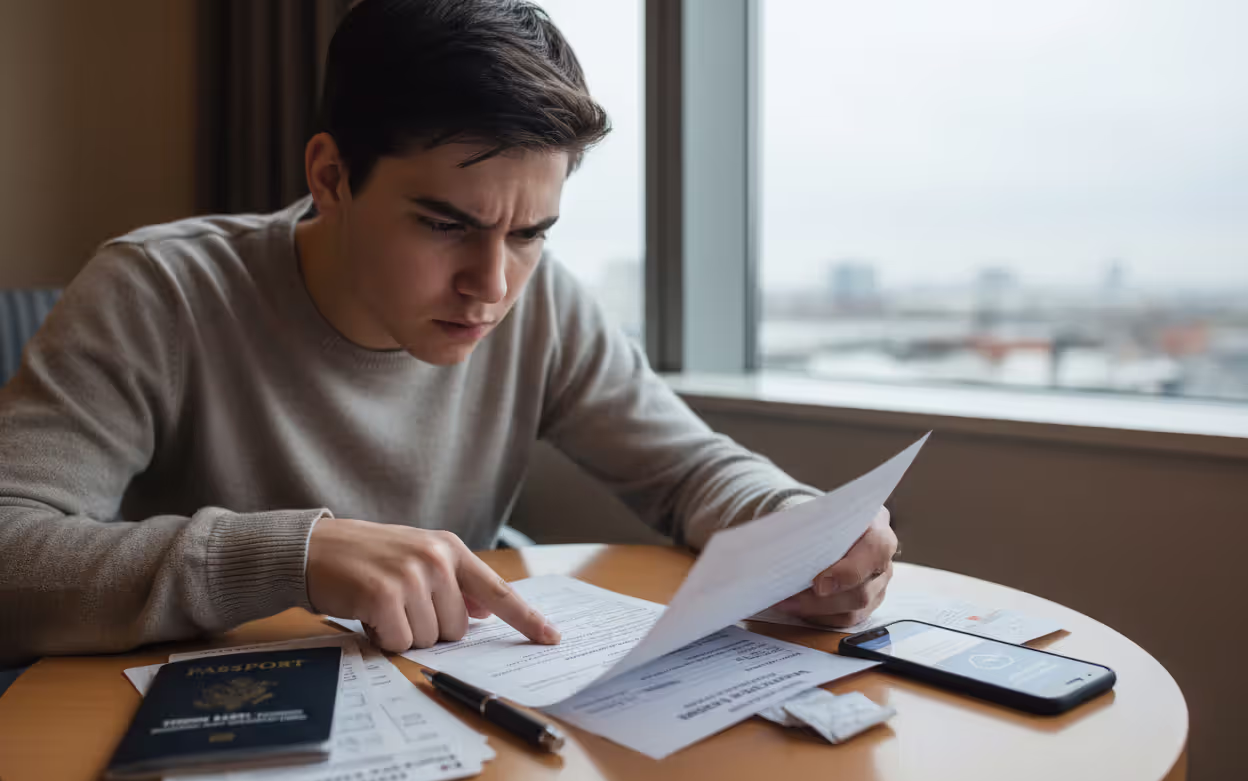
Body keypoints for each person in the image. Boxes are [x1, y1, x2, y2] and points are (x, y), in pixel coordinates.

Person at [0, 0, 897, 667]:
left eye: (530, 233)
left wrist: (799, 535)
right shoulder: (158, 290)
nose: (492, 285)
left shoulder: (543, 306)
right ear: (332, 175)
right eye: (444, 224)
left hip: (453, 731)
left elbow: (692, 471)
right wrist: (294, 555)